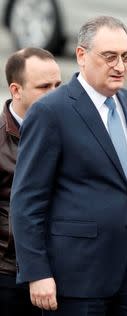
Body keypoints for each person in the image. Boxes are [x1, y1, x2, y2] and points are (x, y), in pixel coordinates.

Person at [10, 16, 127, 315]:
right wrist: (37, 272)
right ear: (81, 56)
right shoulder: (50, 112)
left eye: (126, 57)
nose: (120, 66)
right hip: (75, 278)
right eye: (109, 56)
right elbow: (27, 200)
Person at [0, 47, 61, 316]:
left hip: (64, 269)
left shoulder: (69, 127)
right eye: (44, 86)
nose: (55, 94)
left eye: (59, 85)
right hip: (9, 277)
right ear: (16, 90)